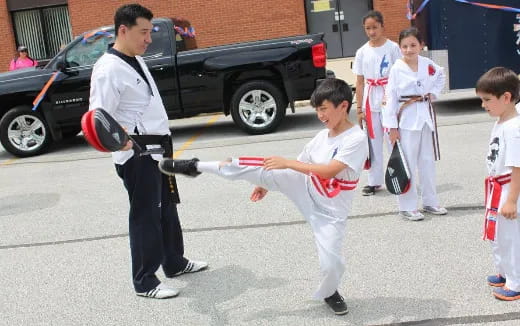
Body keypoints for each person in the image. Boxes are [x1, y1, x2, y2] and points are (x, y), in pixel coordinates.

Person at [157, 78, 368, 315]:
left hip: (330, 208)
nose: (320, 115)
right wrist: (265, 183)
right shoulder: (322, 136)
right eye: (317, 110)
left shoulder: (356, 138)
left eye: (323, 109)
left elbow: (330, 170)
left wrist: (286, 164)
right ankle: (195, 166)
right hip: (306, 184)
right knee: (256, 165)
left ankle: (330, 292)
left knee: (332, 264)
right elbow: (301, 163)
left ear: (343, 106)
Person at [89, 4, 207, 299]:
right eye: (143, 32)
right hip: (137, 156)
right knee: (145, 216)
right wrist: (122, 142)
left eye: (149, 32)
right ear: (123, 30)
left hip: (158, 148)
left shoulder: (133, 59)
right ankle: (144, 281)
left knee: (167, 207)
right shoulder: (107, 69)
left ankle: (174, 262)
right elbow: (97, 118)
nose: (149, 39)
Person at [382, 27, 447, 221]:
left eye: (413, 45)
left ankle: (429, 201)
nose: (409, 50)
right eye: (404, 46)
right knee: (407, 162)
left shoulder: (427, 64)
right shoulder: (396, 68)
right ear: (400, 47)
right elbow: (390, 97)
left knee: (427, 162)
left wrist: (433, 93)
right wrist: (392, 126)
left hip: (424, 116)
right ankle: (407, 206)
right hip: (406, 118)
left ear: (421, 45)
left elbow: (441, 74)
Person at [476, 67, 520, 301]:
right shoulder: (503, 120)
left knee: (510, 238)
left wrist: (512, 200)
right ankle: (503, 271)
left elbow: (517, 166)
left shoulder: (514, 128)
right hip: (497, 188)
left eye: (487, 100)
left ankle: (516, 281)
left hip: (508, 188)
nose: (483, 105)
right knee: (497, 235)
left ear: (506, 98)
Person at [352, 10, 401, 196]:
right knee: (373, 142)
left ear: (382, 26)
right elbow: (359, 81)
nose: (372, 32)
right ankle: (374, 181)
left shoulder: (393, 48)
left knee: (392, 139)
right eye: (368, 28)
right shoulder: (362, 52)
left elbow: (400, 74)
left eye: (375, 27)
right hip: (370, 97)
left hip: (388, 95)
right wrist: (358, 108)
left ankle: (398, 175)